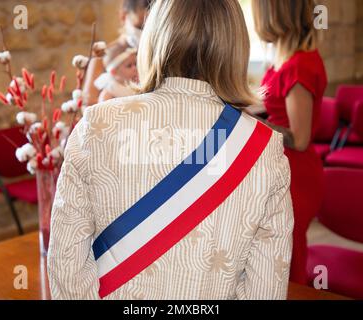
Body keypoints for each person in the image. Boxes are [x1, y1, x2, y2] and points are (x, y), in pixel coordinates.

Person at [48, 0, 294, 300]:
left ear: (154, 38)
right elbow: (265, 289)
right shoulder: (264, 148)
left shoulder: (96, 126)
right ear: (236, 49)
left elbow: (67, 264)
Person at [252, 0, 328, 285]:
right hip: (283, 167)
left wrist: (250, 122)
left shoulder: (300, 65)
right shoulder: (286, 58)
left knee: (289, 261)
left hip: (298, 175)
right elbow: (277, 112)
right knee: (278, 255)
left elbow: (299, 138)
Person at [83, 0, 152, 106]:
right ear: (123, 16)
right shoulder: (103, 55)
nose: (144, 31)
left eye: (150, 27)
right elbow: (87, 104)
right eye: (140, 26)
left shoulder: (157, 54)